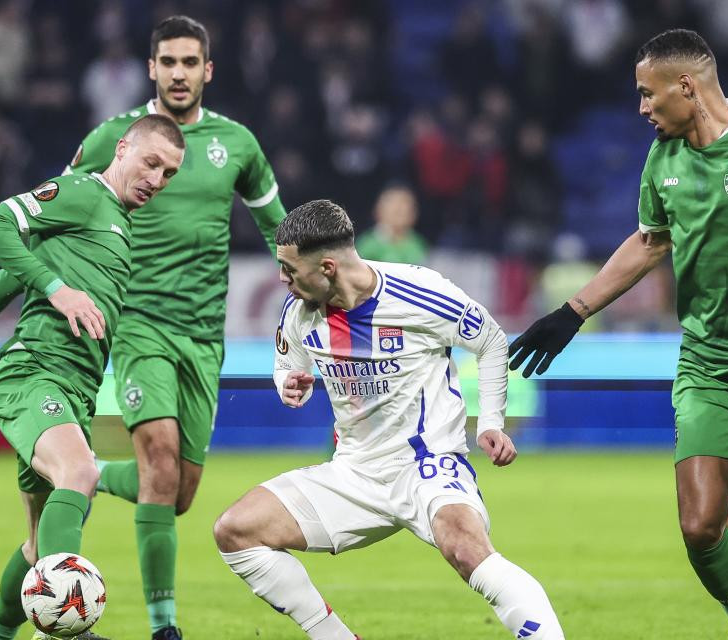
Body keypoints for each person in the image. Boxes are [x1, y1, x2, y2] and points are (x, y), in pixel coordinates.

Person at [507, 29, 728, 640]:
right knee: (701, 527)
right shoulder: (663, 159)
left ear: (687, 87)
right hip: (707, 357)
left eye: (648, 95)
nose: (642, 108)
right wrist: (573, 311)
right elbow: (651, 242)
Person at [0, 115, 186, 640]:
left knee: (34, 547)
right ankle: (65, 631)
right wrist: (57, 289)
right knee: (82, 475)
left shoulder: (118, 224)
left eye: (168, 173)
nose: (157, 179)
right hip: (32, 374)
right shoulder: (80, 194)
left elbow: (6, 279)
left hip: (73, 391)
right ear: (122, 149)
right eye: (151, 162)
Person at [211, 200, 565, 640]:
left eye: (289, 269)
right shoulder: (298, 310)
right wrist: (288, 384)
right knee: (235, 531)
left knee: (467, 549)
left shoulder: (419, 292)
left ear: (326, 267)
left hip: (426, 464)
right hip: (353, 471)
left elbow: (492, 340)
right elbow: (287, 364)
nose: (282, 280)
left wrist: (490, 422)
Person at [64, 16, 287, 639]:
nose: (180, 73)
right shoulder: (114, 137)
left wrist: (308, 289)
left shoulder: (236, 145)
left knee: (177, 491)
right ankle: (166, 627)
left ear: (208, 70)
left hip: (203, 336)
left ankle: (87, 472)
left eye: (191, 62)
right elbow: (61, 209)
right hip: (136, 325)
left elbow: (278, 230)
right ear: (151, 68)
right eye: (169, 62)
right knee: (160, 460)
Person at [354, 185, 428, 264]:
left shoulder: (418, 244)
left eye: (405, 204)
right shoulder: (367, 244)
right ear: (378, 210)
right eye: (396, 210)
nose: (400, 208)